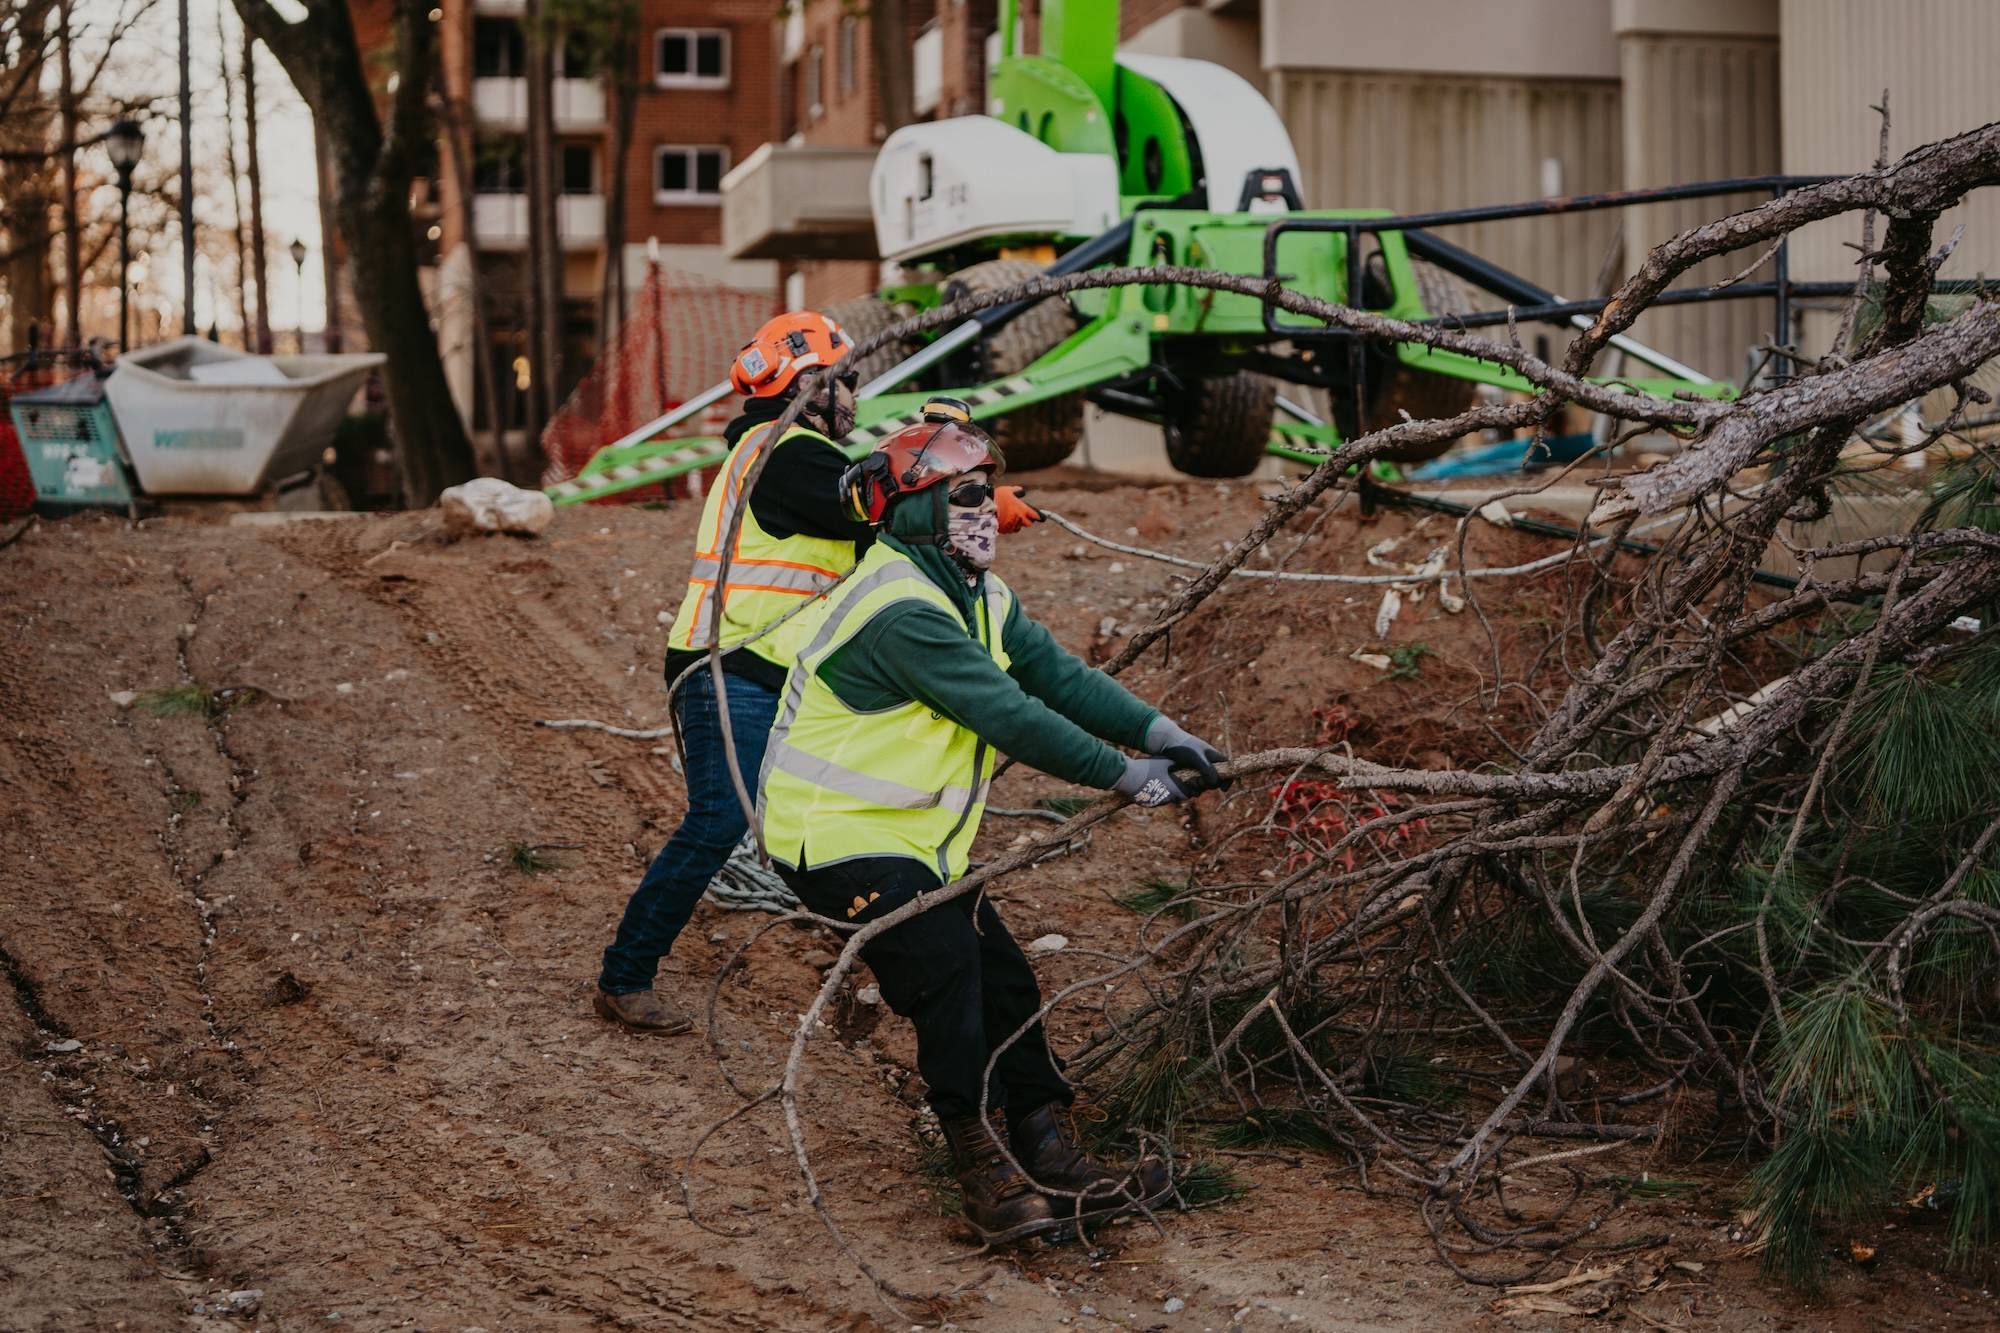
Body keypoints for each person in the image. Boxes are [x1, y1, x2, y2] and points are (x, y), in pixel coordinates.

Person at [755, 400, 1229, 1243]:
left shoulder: (978, 593)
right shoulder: (900, 607)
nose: (985, 510)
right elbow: (1011, 714)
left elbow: (1058, 676)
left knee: (1005, 974)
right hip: (831, 837)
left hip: (908, 840)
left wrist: (1161, 730)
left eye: (986, 492)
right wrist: (1128, 776)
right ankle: (977, 1159)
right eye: (964, 495)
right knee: (945, 968)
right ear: (917, 509)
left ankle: (1048, 1146)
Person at [594, 317, 1042, 1034]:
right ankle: (625, 975)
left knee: (818, 825)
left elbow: (876, 510)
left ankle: (872, 951)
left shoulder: (793, 456)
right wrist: (962, 484)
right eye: (848, 381)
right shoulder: (783, 450)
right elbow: (871, 498)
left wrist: (957, 485)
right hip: (729, 663)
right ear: (809, 386)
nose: (856, 396)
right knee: (718, 820)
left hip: (774, 671)